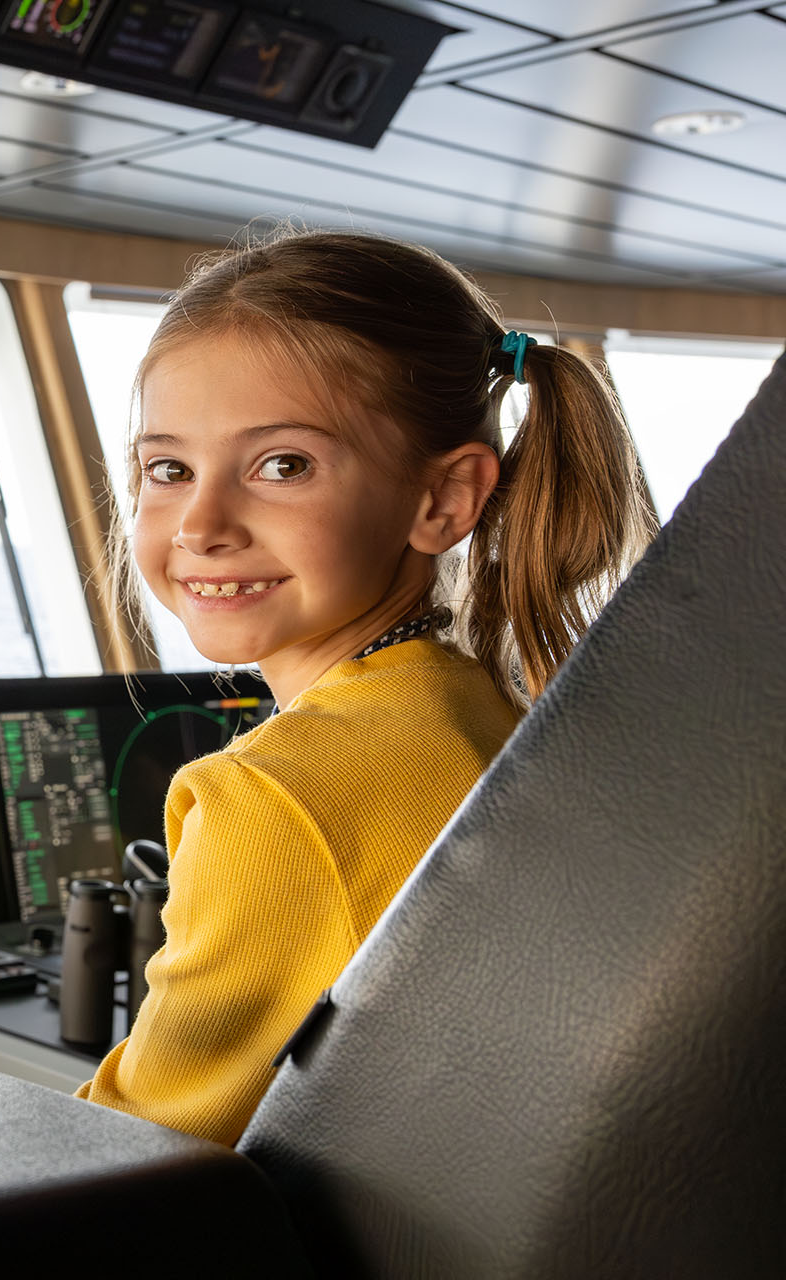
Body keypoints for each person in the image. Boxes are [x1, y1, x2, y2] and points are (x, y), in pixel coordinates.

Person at [77, 230, 657, 1146]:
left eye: (283, 465)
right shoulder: (480, 704)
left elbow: (124, 1167)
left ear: (445, 500)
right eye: (168, 468)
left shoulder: (270, 800)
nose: (201, 523)